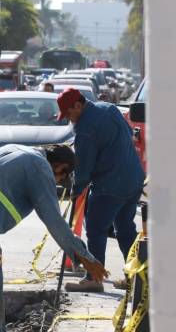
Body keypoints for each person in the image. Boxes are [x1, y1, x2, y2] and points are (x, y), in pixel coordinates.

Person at [0, 144, 107, 332]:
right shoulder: (39, 166)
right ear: (60, 167)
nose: (56, 183)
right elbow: (54, 220)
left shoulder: (11, 149)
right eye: (60, 178)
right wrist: (84, 256)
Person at [56, 88, 145, 291]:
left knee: (95, 228)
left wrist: (75, 189)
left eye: (69, 114)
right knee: (125, 229)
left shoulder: (85, 128)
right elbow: (129, 134)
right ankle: (135, 278)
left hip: (110, 184)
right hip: (134, 179)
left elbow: (84, 167)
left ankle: (93, 279)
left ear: (78, 106)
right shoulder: (109, 108)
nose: (69, 119)